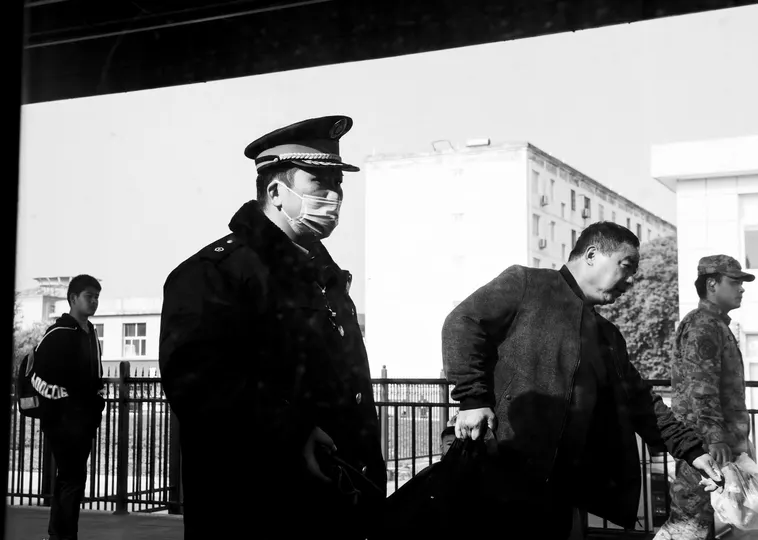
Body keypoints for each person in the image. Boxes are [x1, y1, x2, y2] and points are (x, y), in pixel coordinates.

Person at [159, 115, 386, 540]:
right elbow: (198, 383)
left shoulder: (324, 275)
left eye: (338, 183)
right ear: (277, 192)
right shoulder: (215, 274)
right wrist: (291, 432)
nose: (334, 195)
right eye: (319, 182)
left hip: (337, 503)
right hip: (261, 507)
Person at [441, 222, 725, 539]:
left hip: (557, 491)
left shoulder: (608, 336)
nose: (631, 281)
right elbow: (463, 322)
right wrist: (473, 399)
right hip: (498, 467)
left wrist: (692, 451)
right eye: (626, 266)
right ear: (591, 255)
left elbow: (642, 403)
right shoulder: (527, 284)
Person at [654, 255, 754, 540]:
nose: (741, 288)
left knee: (713, 526)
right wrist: (716, 439)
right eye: (734, 281)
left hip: (715, 447)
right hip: (705, 450)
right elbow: (702, 388)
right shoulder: (703, 325)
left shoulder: (714, 324)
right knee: (690, 526)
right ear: (712, 284)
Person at [34, 274, 105, 540]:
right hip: (62, 421)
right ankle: (63, 535)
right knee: (72, 478)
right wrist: (65, 403)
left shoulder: (90, 333)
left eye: (97, 297)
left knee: (70, 478)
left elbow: (94, 377)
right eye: (89, 296)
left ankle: (58, 534)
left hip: (83, 421)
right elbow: (38, 378)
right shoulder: (58, 334)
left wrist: (96, 404)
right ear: (73, 298)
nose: (94, 301)